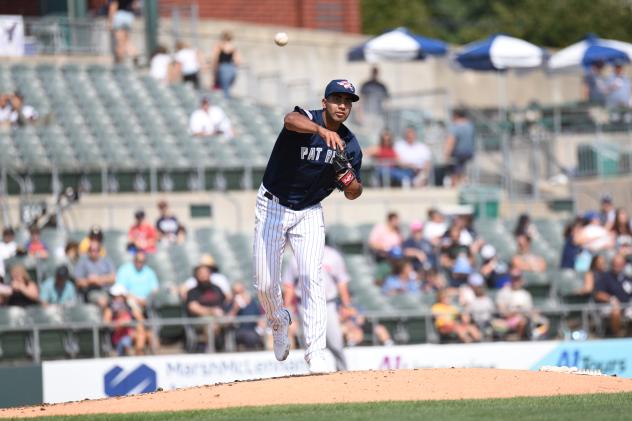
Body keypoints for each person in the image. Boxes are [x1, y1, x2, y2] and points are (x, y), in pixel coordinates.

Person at [253, 78, 363, 374]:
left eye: (348, 101)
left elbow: (355, 191)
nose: (342, 105)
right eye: (337, 98)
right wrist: (320, 130)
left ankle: (316, 352)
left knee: (312, 277)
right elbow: (289, 120)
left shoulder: (350, 145)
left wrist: (349, 183)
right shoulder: (308, 119)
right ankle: (279, 321)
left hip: (310, 211)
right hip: (273, 204)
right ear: (325, 102)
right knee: (264, 283)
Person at [283, 243, 353, 371]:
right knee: (309, 344)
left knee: (336, 342)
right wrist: (287, 308)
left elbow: (342, 282)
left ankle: (343, 372)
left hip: (328, 303)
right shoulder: (297, 257)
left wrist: (346, 305)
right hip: (305, 305)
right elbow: (289, 284)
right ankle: (314, 375)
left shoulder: (333, 255)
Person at [185, 264, 226, 350]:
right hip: (199, 320)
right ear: (196, 275)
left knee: (232, 320)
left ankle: (227, 348)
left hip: (219, 318)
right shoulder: (193, 291)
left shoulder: (217, 289)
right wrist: (211, 311)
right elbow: (193, 308)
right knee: (210, 325)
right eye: (201, 273)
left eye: (206, 272)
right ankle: (211, 350)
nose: (204, 275)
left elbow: (223, 304)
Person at [103, 284, 149, 356]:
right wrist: (120, 323)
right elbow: (106, 323)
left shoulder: (129, 306)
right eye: (115, 296)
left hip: (130, 334)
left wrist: (133, 304)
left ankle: (139, 354)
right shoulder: (110, 308)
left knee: (143, 334)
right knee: (126, 342)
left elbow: (141, 319)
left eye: (119, 296)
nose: (117, 299)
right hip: (117, 337)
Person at [594, 254, 632, 337]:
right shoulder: (604, 277)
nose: (617, 266)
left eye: (619, 264)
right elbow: (598, 294)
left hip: (626, 305)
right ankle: (617, 336)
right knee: (615, 311)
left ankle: (629, 334)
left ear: (624, 265)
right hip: (608, 306)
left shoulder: (627, 278)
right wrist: (611, 299)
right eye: (615, 264)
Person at [74, 239, 116, 305]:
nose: (94, 253)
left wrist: (99, 279)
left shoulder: (106, 261)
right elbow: (78, 282)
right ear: (88, 251)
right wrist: (89, 281)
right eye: (92, 250)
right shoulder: (83, 262)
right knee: (103, 301)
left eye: (97, 250)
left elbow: (113, 278)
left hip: (107, 290)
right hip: (91, 291)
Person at [228, 282, 265, 350]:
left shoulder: (253, 302)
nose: (239, 295)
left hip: (253, 330)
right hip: (238, 331)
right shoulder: (230, 303)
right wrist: (235, 308)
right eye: (236, 292)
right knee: (249, 336)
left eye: (241, 291)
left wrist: (261, 327)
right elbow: (228, 321)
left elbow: (259, 317)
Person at [444, 108, 475, 187]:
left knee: (454, 172)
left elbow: (451, 141)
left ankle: (455, 188)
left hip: (458, 153)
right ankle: (463, 183)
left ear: (456, 116)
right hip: (469, 152)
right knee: (462, 170)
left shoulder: (456, 126)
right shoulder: (470, 126)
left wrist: (446, 154)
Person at [211, 30, 241, 98]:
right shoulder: (233, 47)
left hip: (223, 67)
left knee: (223, 88)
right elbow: (238, 61)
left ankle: (225, 101)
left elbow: (215, 58)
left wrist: (214, 70)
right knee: (226, 88)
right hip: (231, 68)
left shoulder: (219, 46)